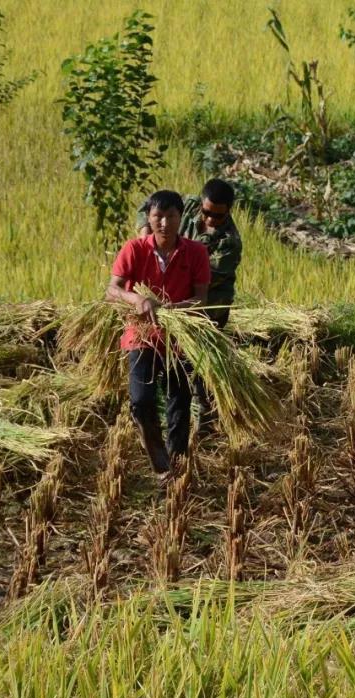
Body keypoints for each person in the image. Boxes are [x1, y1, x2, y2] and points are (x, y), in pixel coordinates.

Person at [109, 190, 210, 475]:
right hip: (141, 334)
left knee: (179, 402)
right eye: (158, 216)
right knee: (141, 401)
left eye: (171, 216)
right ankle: (160, 461)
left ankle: (176, 467)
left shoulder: (196, 252)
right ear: (149, 218)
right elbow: (112, 290)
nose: (164, 223)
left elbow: (202, 298)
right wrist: (137, 300)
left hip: (180, 338)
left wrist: (173, 310)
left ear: (181, 218)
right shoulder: (134, 249)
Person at [138, 178, 241, 432]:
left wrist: (166, 267)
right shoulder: (188, 204)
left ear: (228, 211)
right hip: (169, 298)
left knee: (198, 361)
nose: (209, 220)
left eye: (218, 216)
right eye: (206, 213)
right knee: (162, 353)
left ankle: (205, 416)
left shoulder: (229, 242)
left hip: (207, 308)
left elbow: (202, 278)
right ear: (200, 204)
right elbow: (148, 207)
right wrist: (145, 235)